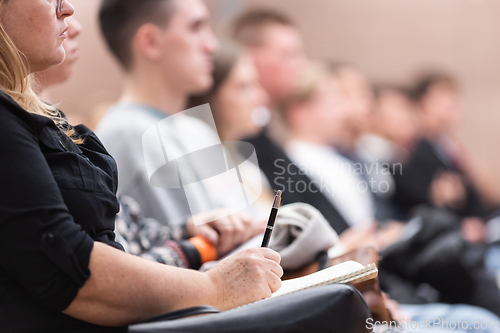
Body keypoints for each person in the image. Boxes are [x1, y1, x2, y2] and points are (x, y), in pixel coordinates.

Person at [0, 0, 283, 331]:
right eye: (195, 28)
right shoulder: (129, 130)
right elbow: (68, 263)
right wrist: (214, 284)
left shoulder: (41, 118)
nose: (68, 11)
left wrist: (186, 235)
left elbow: (123, 234)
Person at [96, 0, 269, 259]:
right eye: (195, 27)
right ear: (151, 42)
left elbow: (252, 227)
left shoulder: (194, 129)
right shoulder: (128, 134)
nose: (212, 45)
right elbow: (203, 256)